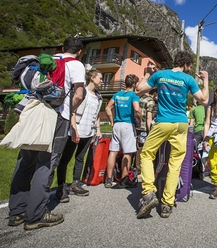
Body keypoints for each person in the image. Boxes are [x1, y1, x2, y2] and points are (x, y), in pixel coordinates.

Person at [8, 36, 85, 230]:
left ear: (61, 47)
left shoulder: (49, 60)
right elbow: (78, 94)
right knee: (47, 162)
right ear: (80, 51)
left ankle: (17, 211)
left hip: (34, 111)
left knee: (25, 160)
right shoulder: (76, 65)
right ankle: (36, 215)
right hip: (57, 116)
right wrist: (71, 111)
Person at [135, 51, 209, 219]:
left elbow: (139, 90)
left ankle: (148, 193)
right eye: (189, 66)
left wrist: (147, 74)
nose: (189, 69)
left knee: (146, 154)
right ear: (186, 64)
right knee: (175, 164)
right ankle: (167, 204)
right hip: (181, 124)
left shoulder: (160, 75)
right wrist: (205, 80)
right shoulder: (188, 79)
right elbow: (204, 100)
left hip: (163, 122)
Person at [55, 69, 103, 203]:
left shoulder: (99, 97)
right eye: (100, 78)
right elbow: (72, 110)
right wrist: (73, 127)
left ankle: (76, 184)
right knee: (65, 159)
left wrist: (97, 129)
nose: (102, 80)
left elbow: (97, 114)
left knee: (80, 158)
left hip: (88, 132)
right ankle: (61, 187)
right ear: (92, 78)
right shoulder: (82, 92)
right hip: (75, 130)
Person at [104, 74, 141, 189]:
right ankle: (124, 179)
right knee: (127, 152)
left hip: (117, 124)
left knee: (113, 151)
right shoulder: (133, 95)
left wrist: (111, 121)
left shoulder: (117, 94)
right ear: (134, 84)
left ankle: (109, 179)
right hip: (127, 125)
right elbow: (136, 109)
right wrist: (139, 118)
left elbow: (107, 108)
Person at [136, 88, 158, 173]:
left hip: (138, 126)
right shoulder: (151, 101)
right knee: (145, 148)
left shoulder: (140, 98)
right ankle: (143, 169)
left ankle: (137, 168)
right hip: (145, 127)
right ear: (155, 93)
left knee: (138, 147)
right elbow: (149, 117)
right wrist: (150, 130)